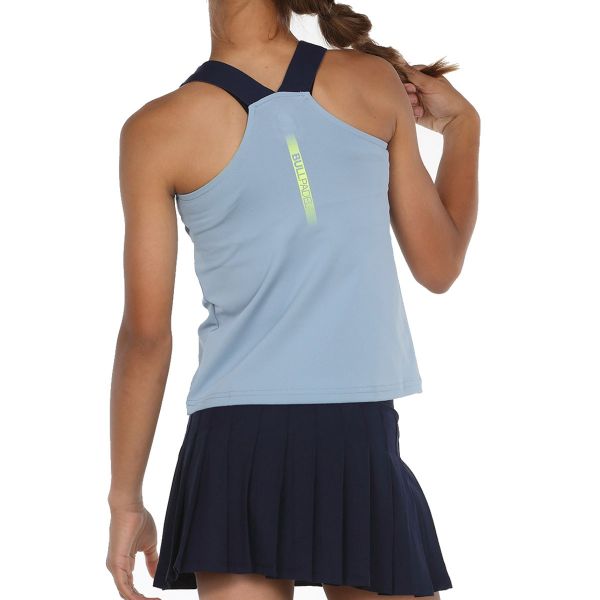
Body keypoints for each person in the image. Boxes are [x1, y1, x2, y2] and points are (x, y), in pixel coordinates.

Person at [105, 0, 480, 598]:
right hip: (355, 435)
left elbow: (146, 336)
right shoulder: (369, 82)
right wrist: (462, 127)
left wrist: (126, 499)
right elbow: (440, 266)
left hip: (234, 446)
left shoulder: (157, 129)